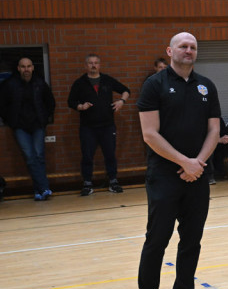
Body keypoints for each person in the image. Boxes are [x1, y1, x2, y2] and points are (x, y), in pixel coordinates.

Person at [133, 32, 220, 289]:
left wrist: (197, 164)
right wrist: (185, 162)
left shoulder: (206, 86)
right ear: (170, 51)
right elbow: (150, 134)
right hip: (164, 176)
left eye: (193, 47)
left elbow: (214, 130)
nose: (188, 50)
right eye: (183, 46)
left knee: (192, 239)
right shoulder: (154, 84)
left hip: (197, 175)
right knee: (157, 239)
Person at [67, 53, 130, 196]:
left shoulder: (107, 80)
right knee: (87, 156)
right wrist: (81, 106)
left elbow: (126, 90)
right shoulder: (79, 83)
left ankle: (113, 181)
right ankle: (87, 183)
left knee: (110, 155)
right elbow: (70, 101)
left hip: (107, 125)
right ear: (86, 65)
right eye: (90, 63)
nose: (93, 65)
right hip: (88, 127)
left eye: (96, 63)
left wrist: (121, 101)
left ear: (99, 65)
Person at [0, 57, 54, 200]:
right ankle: (44, 188)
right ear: (18, 68)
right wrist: (11, 121)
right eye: (23, 67)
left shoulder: (40, 83)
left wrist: (44, 119)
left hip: (37, 125)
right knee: (30, 157)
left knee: (39, 156)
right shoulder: (10, 84)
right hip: (20, 127)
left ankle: (39, 191)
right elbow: (2, 105)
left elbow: (50, 102)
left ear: (33, 68)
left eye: (29, 66)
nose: (26, 69)